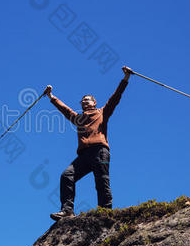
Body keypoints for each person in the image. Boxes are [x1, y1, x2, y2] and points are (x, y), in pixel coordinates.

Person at [45, 66, 133, 221]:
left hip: (100, 151)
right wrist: (51, 96)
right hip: (84, 155)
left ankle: (105, 212)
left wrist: (125, 78)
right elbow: (65, 110)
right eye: (82, 101)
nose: (84, 102)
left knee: (102, 180)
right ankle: (67, 211)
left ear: (94, 102)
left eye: (87, 100)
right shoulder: (79, 118)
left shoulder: (102, 112)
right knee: (67, 175)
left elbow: (116, 97)